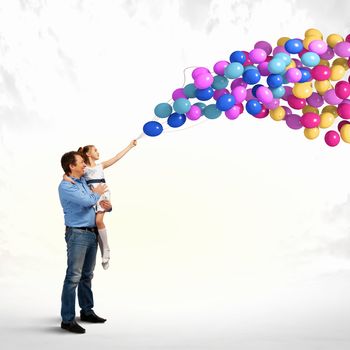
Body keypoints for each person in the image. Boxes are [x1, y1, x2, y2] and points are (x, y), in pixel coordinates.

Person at [59, 151, 111, 334]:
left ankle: (87, 311)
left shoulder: (79, 181)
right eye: (81, 163)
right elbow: (86, 201)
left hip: (91, 233)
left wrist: (107, 206)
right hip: (77, 234)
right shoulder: (66, 187)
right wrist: (96, 193)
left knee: (87, 276)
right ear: (71, 166)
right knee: (73, 277)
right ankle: (67, 320)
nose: (85, 165)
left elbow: (95, 200)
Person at [65, 140, 137, 269]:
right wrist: (65, 177)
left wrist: (130, 146)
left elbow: (116, 157)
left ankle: (106, 251)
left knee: (99, 221)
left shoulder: (100, 166)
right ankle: (103, 252)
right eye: (95, 150)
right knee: (94, 225)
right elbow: (69, 173)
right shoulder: (83, 168)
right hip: (91, 195)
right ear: (87, 154)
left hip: (103, 192)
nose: (98, 152)